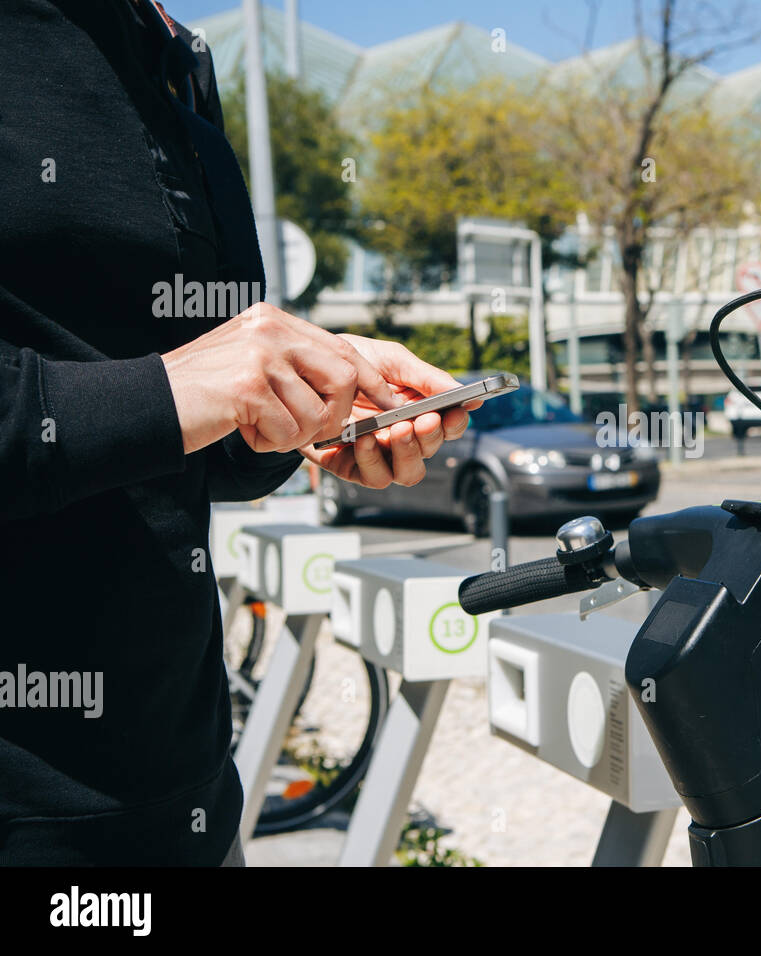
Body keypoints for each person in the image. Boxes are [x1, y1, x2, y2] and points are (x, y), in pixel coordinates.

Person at [0, 1, 473, 864]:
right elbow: (159, 396)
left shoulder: (170, 52)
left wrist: (293, 417)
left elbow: (181, 453)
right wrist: (179, 389)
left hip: (185, 797)